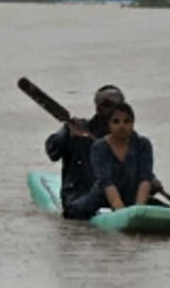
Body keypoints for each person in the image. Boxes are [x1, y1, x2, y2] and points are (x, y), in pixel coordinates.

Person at [63, 102, 158, 219]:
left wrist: (139, 210)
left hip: (132, 195)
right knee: (71, 213)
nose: (122, 126)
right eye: (116, 121)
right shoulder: (99, 147)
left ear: (133, 124)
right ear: (109, 125)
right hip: (102, 196)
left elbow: (145, 179)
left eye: (127, 121)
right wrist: (121, 213)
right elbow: (107, 183)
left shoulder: (143, 144)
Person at [45, 85, 125, 216]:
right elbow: (52, 151)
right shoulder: (76, 127)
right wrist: (67, 134)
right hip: (78, 196)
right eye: (108, 106)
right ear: (98, 108)